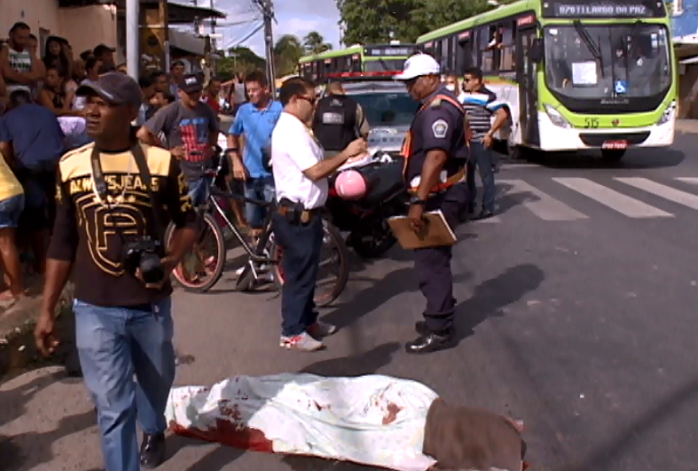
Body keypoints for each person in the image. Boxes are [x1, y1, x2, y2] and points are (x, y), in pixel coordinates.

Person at [33, 72, 197, 471]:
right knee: (112, 407)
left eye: (101, 103)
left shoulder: (160, 163)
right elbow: (61, 242)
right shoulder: (70, 165)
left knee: (157, 386)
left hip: (151, 306)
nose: (89, 110)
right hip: (94, 308)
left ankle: (155, 425)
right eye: (87, 101)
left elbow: (188, 222)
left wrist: (172, 260)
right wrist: (46, 309)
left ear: (129, 112)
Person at [271, 77, 366, 351]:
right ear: (293, 100)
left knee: (308, 273)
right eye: (311, 101)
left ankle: (307, 321)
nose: (315, 107)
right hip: (295, 217)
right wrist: (346, 154)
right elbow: (314, 171)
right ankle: (292, 332)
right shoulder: (290, 131)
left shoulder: (300, 129)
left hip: (308, 215)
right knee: (298, 276)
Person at [394, 53, 469, 354]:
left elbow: (436, 156)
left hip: (439, 195)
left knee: (431, 263)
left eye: (412, 83)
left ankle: (439, 327)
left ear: (430, 79)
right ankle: (440, 315)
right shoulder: (435, 105)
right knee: (436, 260)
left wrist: (418, 201)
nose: (408, 89)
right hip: (440, 192)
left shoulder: (438, 109)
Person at [0, 89, 65, 274]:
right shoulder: (47, 112)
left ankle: (43, 266)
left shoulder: (7, 118)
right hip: (56, 167)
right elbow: (61, 138)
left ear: (11, 104)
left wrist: (10, 166)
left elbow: (4, 147)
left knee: (35, 219)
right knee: (56, 213)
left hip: (29, 169)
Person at [138, 74, 219, 207]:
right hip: (183, 176)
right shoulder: (171, 110)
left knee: (204, 219)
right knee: (183, 220)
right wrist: (167, 152)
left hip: (204, 174)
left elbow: (214, 129)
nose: (194, 96)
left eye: (197, 91)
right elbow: (143, 134)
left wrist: (212, 146)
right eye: (190, 93)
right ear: (180, 92)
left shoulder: (205, 109)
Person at [227, 70, 283, 241]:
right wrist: (236, 162)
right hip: (250, 175)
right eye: (248, 90)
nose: (251, 93)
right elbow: (232, 136)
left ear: (266, 89)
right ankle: (258, 259)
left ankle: (278, 256)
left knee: (277, 220)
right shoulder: (243, 111)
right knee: (254, 222)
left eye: (254, 89)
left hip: (273, 175)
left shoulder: (279, 109)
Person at [461, 67, 508, 219]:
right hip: (467, 142)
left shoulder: (488, 97)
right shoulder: (465, 96)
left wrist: (490, 134)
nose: (465, 83)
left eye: (467, 80)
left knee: (486, 175)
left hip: (480, 141)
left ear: (477, 81)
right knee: (468, 176)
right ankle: (469, 206)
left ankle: (488, 208)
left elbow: (502, 115)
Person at [312, 80, 370, 157]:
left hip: (321, 154)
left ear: (328, 92)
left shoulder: (318, 105)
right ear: (342, 90)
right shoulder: (354, 105)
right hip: (346, 155)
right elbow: (365, 131)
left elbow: (309, 125)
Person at [0, 153, 25, 306]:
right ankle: (11, 285)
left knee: (5, 244)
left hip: (1, 197)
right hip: (15, 191)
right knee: (8, 244)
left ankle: (17, 290)